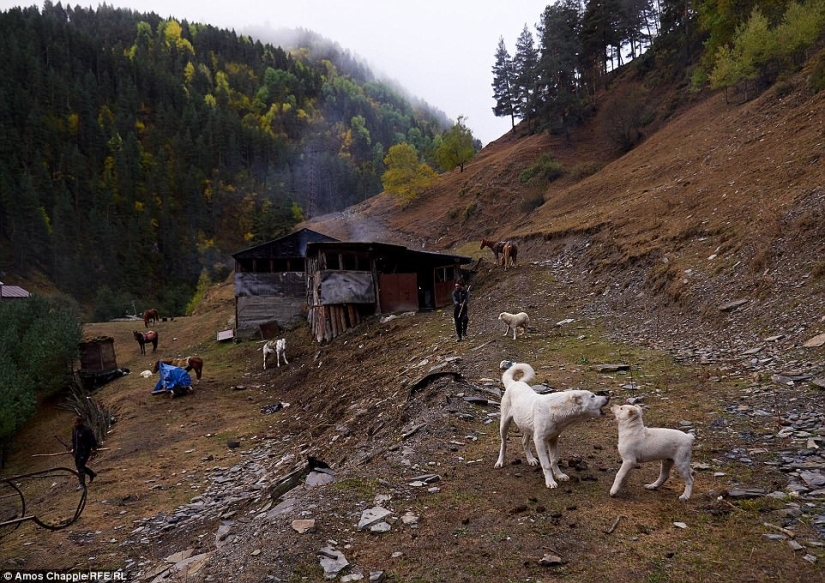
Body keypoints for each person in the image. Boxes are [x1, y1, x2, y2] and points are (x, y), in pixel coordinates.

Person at [70, 416, 98, 489]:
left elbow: (92, 439)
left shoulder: (86, 430)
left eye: (76, 423)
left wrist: (94, 448)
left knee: (80, 467)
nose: (74, 424)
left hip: (85, 451)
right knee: (79, 466)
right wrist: (73, 448)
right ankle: (92, 474)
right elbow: (74, 440)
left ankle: (82, 483)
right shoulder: (74, 430)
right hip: (77, 451)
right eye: (74, 423)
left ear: (80, 422)